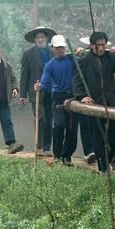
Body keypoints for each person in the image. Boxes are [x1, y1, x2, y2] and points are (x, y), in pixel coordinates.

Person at [74, 31, 115, 172]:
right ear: (91, 46)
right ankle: (103, 167)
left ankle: (107, 158)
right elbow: (78, 82)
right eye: (99, 45)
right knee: (98, 134)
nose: (102, 48)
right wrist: (81, 96)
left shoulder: (111, 57)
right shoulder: (84, 60)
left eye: (104, 45)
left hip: (112, 100)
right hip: (95, 101)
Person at [36, 35, 77, 165]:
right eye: (57, 48)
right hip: (58, 97)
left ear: (65, 47)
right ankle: (57, 155)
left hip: (73, 97)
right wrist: (39, 86)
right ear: (52, 48)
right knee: (59, 125)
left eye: (62, 47)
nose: (60, 50)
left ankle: (67, 156)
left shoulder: (73, 61)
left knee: (72, 129)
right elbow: (45, 83)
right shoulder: (50, 65)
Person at [20, 26, 55, 157]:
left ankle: (47, 148)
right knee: (41, 118)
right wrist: (23, 94)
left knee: (50, 120)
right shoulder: (28, 54)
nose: (40, 39)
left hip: (51, 91)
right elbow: (24, 75)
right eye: (38, 37)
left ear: (46, 38)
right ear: (34, 40)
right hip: (36, 92)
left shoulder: (53, 52)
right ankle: (39, 146)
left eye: (42, 37)